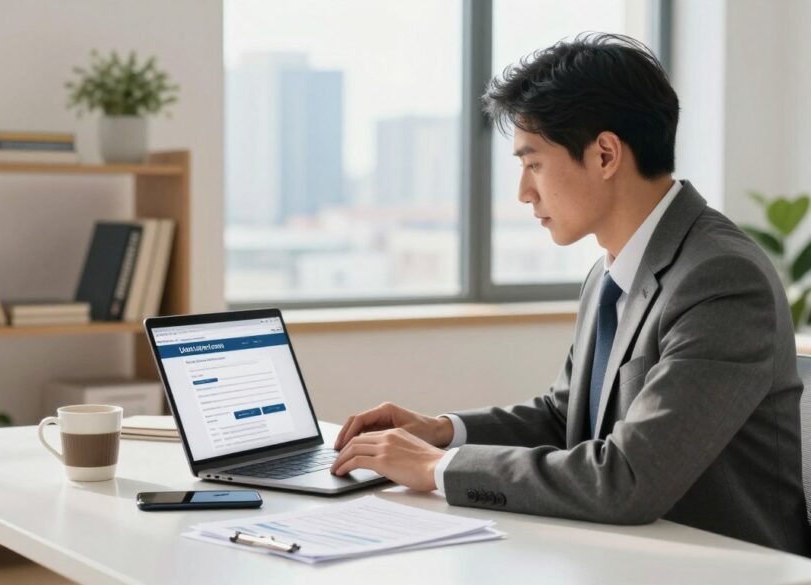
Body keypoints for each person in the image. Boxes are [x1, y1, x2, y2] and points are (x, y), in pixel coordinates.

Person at [330, 33, 809, 555]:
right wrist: (443, 431)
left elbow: (628, 479)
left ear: (605, 154)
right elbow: (565, 420)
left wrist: (433, 467)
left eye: (532, 163)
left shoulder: (721, 279)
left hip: (730, 567)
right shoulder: (611, 273)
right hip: (624, 554)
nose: (523, 192)